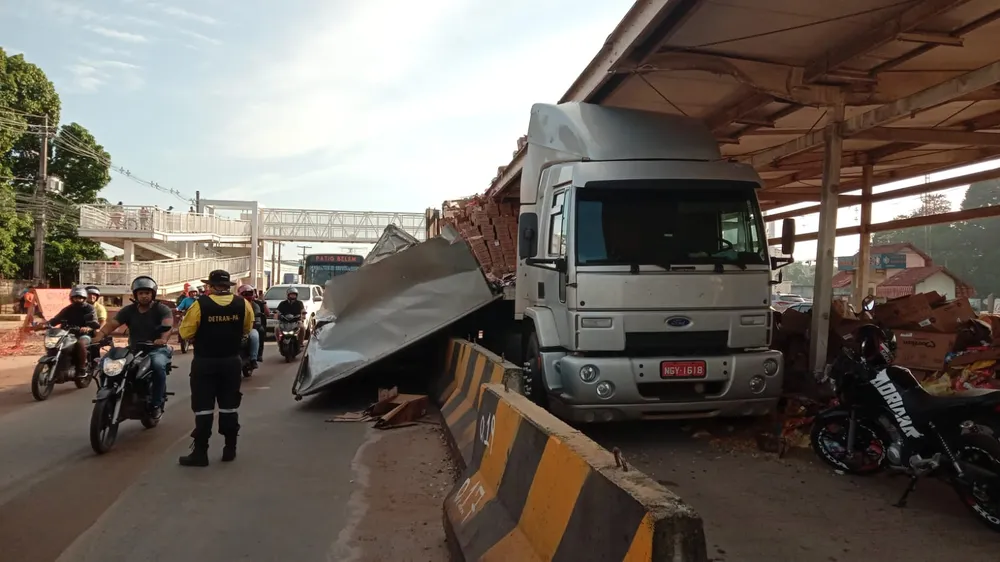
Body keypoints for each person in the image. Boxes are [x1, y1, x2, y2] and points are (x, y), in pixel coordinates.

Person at [177, 270, 254, 466]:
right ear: (228, 286)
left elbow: (185, 333)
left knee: (203, 408)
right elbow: (247, 328)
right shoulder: (242, 304)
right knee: (229, 406)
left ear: (210, 287)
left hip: (205, 362)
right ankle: (230, 449)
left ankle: (200, 453)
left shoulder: (199, 305)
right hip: (231, 362)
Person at [93, 276, 172, 416]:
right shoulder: (129, 310)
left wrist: (162, 339)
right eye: (141, 293)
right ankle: (107, 391)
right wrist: (100, 334)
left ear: (152, 294)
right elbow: (112, 324)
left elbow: (168, 326)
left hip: (156, 349)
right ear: (136, 295)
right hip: (134, 349)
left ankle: (156, 403)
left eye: (147, 293)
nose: (144, 296)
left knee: (158, 366)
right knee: (107, 361)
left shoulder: (162, 309)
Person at [47, 286, 100, 379]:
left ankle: (82, 369)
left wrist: (88, 327)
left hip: (84, 335)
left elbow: (94, 321)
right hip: (67, 334)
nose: (78, 299)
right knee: (55, 343)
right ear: (72, 298)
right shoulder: (67, 309)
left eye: (80, 297)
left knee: (80, 344)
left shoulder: (89, 308)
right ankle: (58, 367)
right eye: (75, 297)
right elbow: (56, 319)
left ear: (84, 298)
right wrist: (46, 324)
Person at [237, 284, 260, 368]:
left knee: (254, 336)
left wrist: (255, 323)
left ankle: (253, 359)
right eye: (245, 294)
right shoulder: (235, 304)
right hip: (235, 329)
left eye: (249, 294)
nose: (247, 296)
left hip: (250, 329)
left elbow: (257, 319)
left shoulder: (255, 305)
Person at [253, 289, 269, 361]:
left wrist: (263, 302)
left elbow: (267, 313)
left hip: (256, 325)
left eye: (251, 293)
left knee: (261, 331)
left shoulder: (258, 303)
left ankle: (259, 354)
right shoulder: (240, 302)